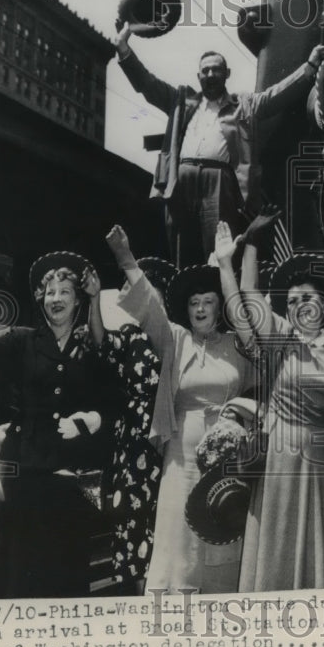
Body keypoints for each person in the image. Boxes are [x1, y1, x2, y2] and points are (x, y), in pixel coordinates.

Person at [104, 225, 254, 593]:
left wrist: (236, 413)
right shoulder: (176, 339)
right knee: (178, 535)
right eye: (194, 302)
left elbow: (259, 390)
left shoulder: (237, 345)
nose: (200, 308)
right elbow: (150, 307)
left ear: (219, 306)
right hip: (181, 455)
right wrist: (126, 257)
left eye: (208, 301)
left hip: (228, 453)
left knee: (221, 524)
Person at [213, 220, 324, 591]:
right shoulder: (281, 337)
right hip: (283, 456)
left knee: (320, 544)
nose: (299, 307)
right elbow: (249, 293)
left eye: (307, 299)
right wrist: (250, 244)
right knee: (279, 541)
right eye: (292, 302)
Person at [114, 22, 324, 265]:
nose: (210, 75)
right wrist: (123, 48)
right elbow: (147, 84)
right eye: (205, 71)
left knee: (219, 250)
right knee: (181, 251)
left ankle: (220, 287)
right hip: (181, 181)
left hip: (219, 182)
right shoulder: (181, 101)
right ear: (198, 76)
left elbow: (276, 96)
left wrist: (310, 66)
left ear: (227, 74)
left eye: (216, 70)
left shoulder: (243, 105)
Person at [0, 252, 114, 598]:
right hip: (25, 470)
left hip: (70, 474)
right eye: (50, 292)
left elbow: (112, 403)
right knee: (21, 568)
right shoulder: (22, 339)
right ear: (40, 298)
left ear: (78, 301)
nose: (56, 298)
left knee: (66, 571)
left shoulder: (92, 346)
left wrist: (91, 421)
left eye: (65, 292)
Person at [88, 258, 175, 595]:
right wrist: (95, 298)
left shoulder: (176, 336)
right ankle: (139, 597)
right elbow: (101, 343)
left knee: (166, 519)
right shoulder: (130, 335)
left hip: (171, 435)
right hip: (135, 439)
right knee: (134, 519)